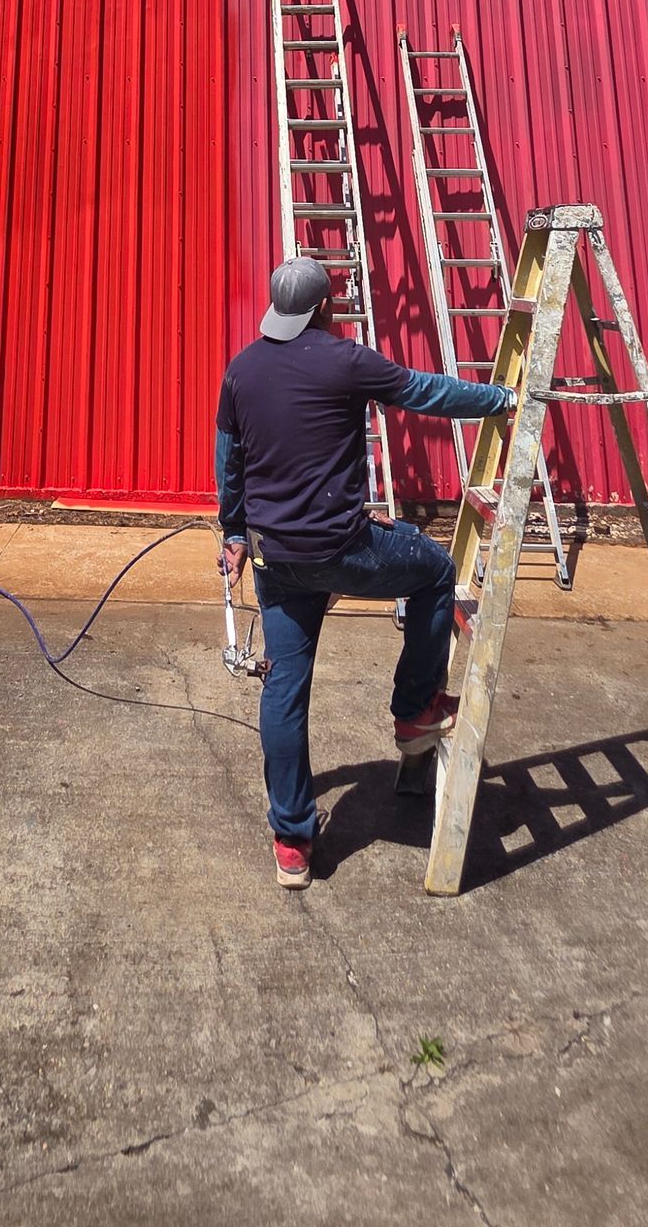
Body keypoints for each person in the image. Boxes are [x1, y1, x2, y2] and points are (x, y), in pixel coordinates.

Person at [217, 255, 518, 889]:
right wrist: (500, 398)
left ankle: (292, 844)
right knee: (434, 570)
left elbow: (231, 459)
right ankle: (415, 709)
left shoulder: (241, 370)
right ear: (324, 308)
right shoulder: (346, 361)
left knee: (284, 687)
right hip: (340, 548)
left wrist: (235, 531)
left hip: (277, 558)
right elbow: (426, 392)